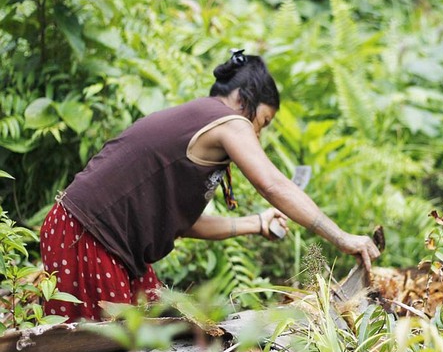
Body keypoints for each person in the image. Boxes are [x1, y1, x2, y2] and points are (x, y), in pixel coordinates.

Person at [40, 49, 381, 321]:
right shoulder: (230, 121)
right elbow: (274, 185)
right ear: (245, 99)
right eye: (262, 121)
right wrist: (342, 238)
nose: (258, 133)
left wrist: (256, 223)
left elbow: (181, 224)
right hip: (86, 236)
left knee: (153, 332)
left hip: (92, 237)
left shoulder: (202, 122)